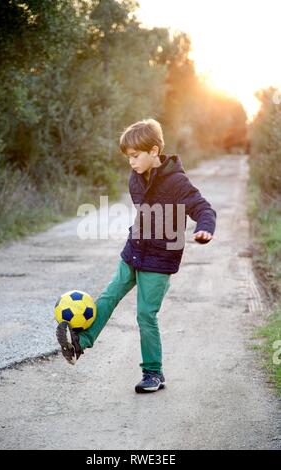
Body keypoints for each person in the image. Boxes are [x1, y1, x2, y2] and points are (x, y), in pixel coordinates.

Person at [56, 118, 216, 393]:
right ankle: (81, 342)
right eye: (128, 157)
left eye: (135, 156)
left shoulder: (177, 181)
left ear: (154, 151)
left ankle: (153, 372)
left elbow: (203, 208)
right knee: (109, 294)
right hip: (135, 250)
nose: (130, 162)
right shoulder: (135, 179)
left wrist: (204, 228)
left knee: (145, 314)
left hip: (160, 259)